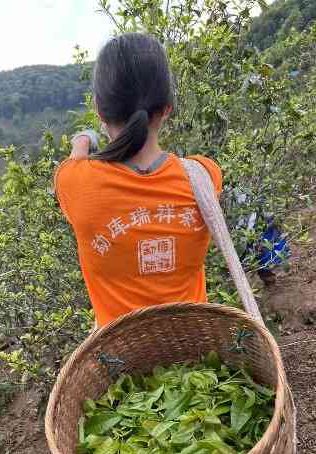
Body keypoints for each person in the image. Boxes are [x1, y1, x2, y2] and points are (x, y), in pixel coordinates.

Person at [54, 32, 222, 330]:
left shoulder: (76, 183)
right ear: (167, 107)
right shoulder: (205, 175)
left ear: (98, 109)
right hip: (194, 350)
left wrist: (82, 140)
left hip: (121, 360)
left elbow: (73, 163)